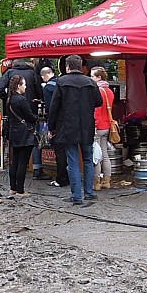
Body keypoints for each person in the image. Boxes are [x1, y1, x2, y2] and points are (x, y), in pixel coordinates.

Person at [48, 55, 102, 206]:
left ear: (67, 67)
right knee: (88, 160)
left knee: (72, 161)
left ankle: (77, 196)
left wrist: (51, 127)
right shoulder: (90, 82)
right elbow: (99, 101)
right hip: (87, 126)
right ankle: (89, 193)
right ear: (81, 67)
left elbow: (54, 107)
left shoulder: (62, 82)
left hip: (68, 127)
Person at [5, 75, 37, 197]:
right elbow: (30, 116)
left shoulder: (10, 99)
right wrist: (35, 117)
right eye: (24, 84)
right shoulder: (21, 100)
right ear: (19, 86)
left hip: (14, 132)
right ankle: (20, 190)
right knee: (23, 162)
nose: (26, 87)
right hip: (24, 132)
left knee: (15, 161)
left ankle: (13, 187)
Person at [91, 67, 116, 190]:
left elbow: (96, 111)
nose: (91, 78)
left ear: (99, 77)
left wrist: (94, 126)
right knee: (104, 153)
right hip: (107, 126)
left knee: (96, 155)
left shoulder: (98, 91)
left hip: (98, 126)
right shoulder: (109, 91)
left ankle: (96, 182)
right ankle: (107, 181)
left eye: (92, 76)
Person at [33, 65, 57, 181]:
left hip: (53, 119)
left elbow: (49, 107)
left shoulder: (48, 87)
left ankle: (38, 168)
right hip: (65, 119)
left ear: (44, 76)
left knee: (39, 143)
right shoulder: (60, 83)